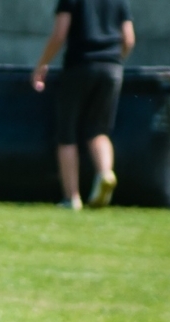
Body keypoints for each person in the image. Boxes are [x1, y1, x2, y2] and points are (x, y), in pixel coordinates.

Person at [33, 0, 135, 209]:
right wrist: (115, 61)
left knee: (66, 134)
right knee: (99, 130)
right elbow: (129, 39)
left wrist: (42, 64)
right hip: (111, 69)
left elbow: (60, 34)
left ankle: (72, 198)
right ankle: (105, 173)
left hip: (80, 66)